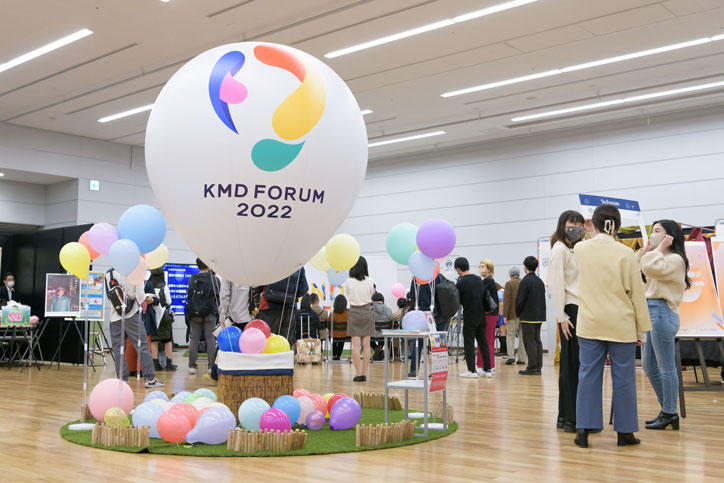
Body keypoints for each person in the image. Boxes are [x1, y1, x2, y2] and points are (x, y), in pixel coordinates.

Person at [573, 204, 651, 448]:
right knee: (624, 378)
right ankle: (624, 433)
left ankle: (583, 431)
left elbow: (588, 244)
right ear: (618, 226)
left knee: (588, 376)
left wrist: (590, 232)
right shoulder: (626, 254)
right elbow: (637, 293)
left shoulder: (581, 248)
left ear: (595, 224)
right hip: (621, 323)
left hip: (590, 323)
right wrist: (642, 328)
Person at [638, 220, 690, 431]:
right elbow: (639, 270)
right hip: (652, 311)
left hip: (662, 311)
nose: (652, 234)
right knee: (649, 365)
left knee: (666, 366)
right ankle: (667, 410)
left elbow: (650, 267)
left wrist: (658, 248)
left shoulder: (675, 259)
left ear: (670, 237)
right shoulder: (657, 256)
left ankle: (669, 412)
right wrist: (647, 251)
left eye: (657, 231)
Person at [547, 210, 586, 433]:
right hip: (570, 311)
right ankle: (570, 418)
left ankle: (569, 416)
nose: (576, 227)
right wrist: (562, 317)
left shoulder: (577, 249)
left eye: (579, 223)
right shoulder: (559, 249)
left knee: (578, 365)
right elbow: (556, 284)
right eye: (572, 222)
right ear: (562, 225)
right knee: (571, 365)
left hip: (582, 310)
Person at [104, 267, 164, 388]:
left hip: (115, 316)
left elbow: (109, 295)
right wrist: (149, 298)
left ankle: (122, 380)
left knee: (118, 349)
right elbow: (140, 296)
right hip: (132, 315)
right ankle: (149, 379)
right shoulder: (136, 270)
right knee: (142, 346)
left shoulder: (109, 273)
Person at [455, 257, 492, 378]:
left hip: (470, 315)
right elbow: (485, 297)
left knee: (469, 343)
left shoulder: (460, 283)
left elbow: (457, 301)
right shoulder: (478, 279)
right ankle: (488, 370)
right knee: (483, 342)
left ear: (458, 269)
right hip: (482, 315)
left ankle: (472, 370)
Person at [186, 258, 220, 376]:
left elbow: (189, 295)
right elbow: (218, 296)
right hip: (210, 313)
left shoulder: (192, 278)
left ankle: (192, 367)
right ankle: (211, 367)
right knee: (210, 339)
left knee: (194, 339)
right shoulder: (214, 279)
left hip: (194, 313)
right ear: (209, 265)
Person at [257, 267, 309, 345]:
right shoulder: (298, 265)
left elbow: (258, 283)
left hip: (269, 306)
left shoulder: (270, 261)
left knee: (266, 339)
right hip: (290, 308)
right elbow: (303, 289)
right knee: (286, 341)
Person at [345, 256, 375, 382]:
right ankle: (364, 373)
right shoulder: (370, 280)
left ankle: (357, 374)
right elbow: (372, 294)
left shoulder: (348, 281)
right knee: (367, 346)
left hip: (354, 312)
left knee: (356, 346)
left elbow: (348, 295)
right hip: (367, 312)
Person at [407, 273, 443, 377]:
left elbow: (412, 296)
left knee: (417, 342)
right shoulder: (438, 276)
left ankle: (414, 370)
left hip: (421, 314)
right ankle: (438, 371)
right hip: (438, 315)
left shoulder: (416, 278)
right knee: (437, 344)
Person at [515, 256, 546, 376]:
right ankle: (538, 366)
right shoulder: (539, 281)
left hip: (528, 316)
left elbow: (520, 300)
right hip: (539, 316)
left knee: (529, 341)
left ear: (525, 266)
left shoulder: (525, 281)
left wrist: (518, 313)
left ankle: (532, 367)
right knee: (537, 340)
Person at [147, 267, 177, 372]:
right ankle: (169, 364)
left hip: (153, 316)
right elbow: (168, 302)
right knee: (167, 340)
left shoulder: (148, 286)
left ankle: (155, 364)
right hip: (164, 316)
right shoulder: (164, 286)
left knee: (154, 340)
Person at [478, 259, 498, 374]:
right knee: (486, 340)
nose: (480, 268)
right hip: (491, 314)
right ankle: (485, 365)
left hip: (489, 315)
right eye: (480, 266)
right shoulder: (489, 281)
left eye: (483, 266)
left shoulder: (487, 281)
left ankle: (487, 365)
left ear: (489, 269)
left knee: (486, 340)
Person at [503, 266, 526, 366]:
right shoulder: (524, 282)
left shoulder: (509, 284)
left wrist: (505, 315)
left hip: (512, 315)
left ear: (510, 275)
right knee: (523, 338)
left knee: (510, 336)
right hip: (524, 316)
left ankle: (511, 356)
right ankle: (522, 358)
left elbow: (507, 300)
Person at [371, 292, 393, 360]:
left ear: (373, 300)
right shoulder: (389, 310)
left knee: (366, 336)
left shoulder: (370, 310)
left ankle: (376, 348)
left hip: (373, 334)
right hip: (385, 334)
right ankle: (379, 348)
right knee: (384, 331)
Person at [331, 294, 348, 360]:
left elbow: (328, 326)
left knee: (334, 337)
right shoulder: (348, 313)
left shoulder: (332, 314)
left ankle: (334, 355)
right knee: (342, 336)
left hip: (334, 335)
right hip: (345, 335)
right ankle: (338, 355)